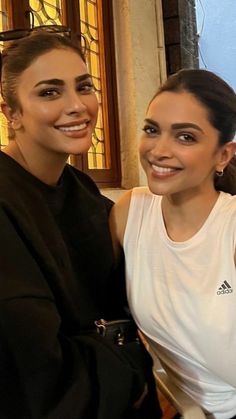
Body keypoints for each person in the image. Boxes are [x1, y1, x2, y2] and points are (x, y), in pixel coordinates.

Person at [0, 28, 162, 419]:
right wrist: (139, 366)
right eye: (49, 92)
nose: (77, 106)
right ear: (12, 114)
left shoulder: (82, 190)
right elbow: (33, 371)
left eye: (84, 86)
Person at [110, 68, 236, 419]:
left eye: (185, 137)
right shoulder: (128, 214)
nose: (159, 150)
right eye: (152, 130)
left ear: (223, 155)